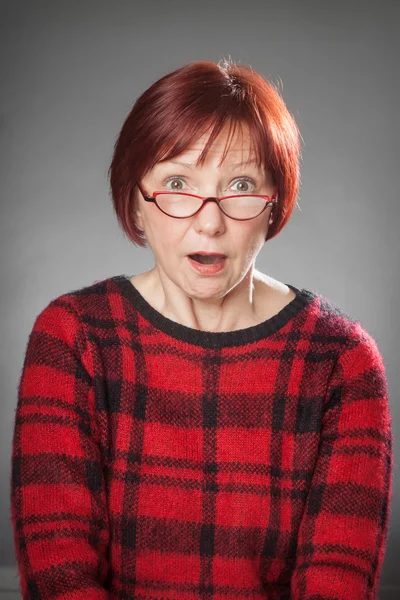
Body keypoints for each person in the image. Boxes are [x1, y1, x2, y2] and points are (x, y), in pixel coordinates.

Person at [10, 58, 393, 599]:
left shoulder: (341, 359)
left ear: (273, 202)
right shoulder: (74, 337)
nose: (209, 220)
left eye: (240, 184)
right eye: (176, 183)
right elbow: (58, 574)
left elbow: (338, 582)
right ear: (136, 204)